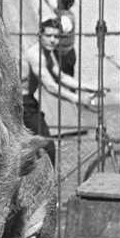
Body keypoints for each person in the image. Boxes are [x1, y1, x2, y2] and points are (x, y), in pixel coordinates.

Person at [23, 17, 101, 164]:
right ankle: (48, 184)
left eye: (56, 36)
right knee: (47, 147)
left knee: (32, 148)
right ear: (39, 35)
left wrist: (88, 86)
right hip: (21, 103)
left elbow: (61, 77)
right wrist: (78, 99)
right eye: (49, 36)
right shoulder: (36, 55)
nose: (53, 40)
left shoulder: (47, 52)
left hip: (29, 102)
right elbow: (51, 86)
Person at [54, 0, 77, 77]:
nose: (57, 1)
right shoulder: (65, 12)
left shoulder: (65, 18)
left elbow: (62, 30)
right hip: (68, 52)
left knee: (64, 80)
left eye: (59, 0)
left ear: (62, 4)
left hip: (64, 55)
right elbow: (52, 3)